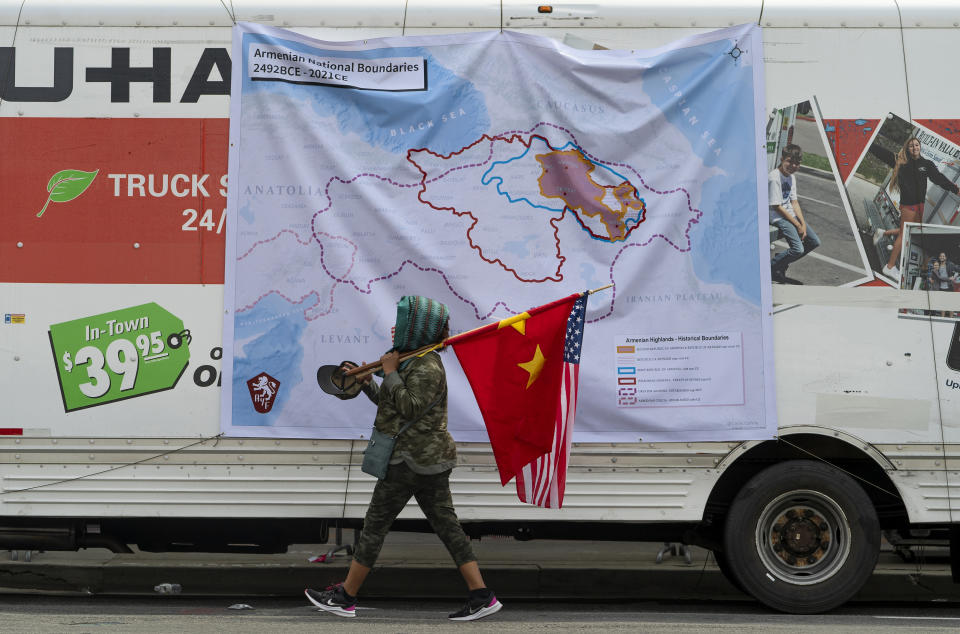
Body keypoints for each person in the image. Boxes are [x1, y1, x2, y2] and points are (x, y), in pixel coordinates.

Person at [305, 296, 502, 622]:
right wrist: (370, 383)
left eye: (404, 322)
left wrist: (390, 372)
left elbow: (409, 406)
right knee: (449, 529)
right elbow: (393, 404)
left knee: (374, 528)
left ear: (418, 329)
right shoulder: (413, 360)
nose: (396, 327)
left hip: (411, 462)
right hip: (423, 462)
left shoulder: (427, 365)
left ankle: (345, 598)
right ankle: (481, 595)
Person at [869, 137, 960, 280]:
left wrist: (955, 189)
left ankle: (883, 233)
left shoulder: (926, 164)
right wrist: (869, 143)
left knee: (912, 229)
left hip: (920, 205)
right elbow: (881, 152)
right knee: (904, 233)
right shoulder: (901, 161)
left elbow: (938, 178)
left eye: (917, 145)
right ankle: (890, 267)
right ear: (907, 148)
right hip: (908, 205)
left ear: (920, 146)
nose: (915, 148)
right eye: (911, 146)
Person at [770, 144, 821, 284]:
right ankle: (771, 267)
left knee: (814, 241)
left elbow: (795, 203)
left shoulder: (791, 177)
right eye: (789, 161)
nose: (793, 166)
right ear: (781, 159)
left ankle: (781, 261)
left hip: (790, 215)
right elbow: (777, 206)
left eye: (797, 163)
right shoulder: (774, 177)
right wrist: (797, 224)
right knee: (798, 249)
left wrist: (803, 225)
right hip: (777, 216)